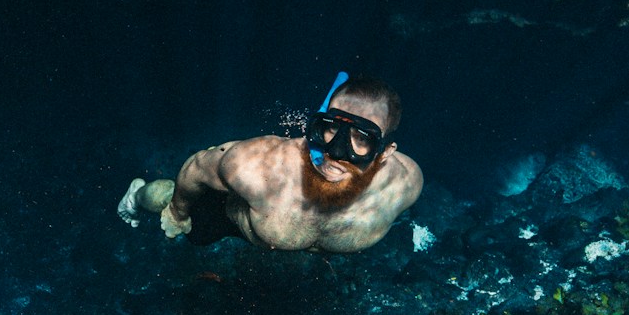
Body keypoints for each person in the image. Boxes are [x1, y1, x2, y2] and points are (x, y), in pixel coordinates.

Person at [119, 72, 423, 253]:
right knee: (167, 201)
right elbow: (198, 166)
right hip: (231, 217)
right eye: (331, 128)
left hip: (276, 234)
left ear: (385, 153)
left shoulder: (405, 184)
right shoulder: (258, 166)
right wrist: (177, 211)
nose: (337, 152)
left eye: (362, 138)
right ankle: (136, 194)